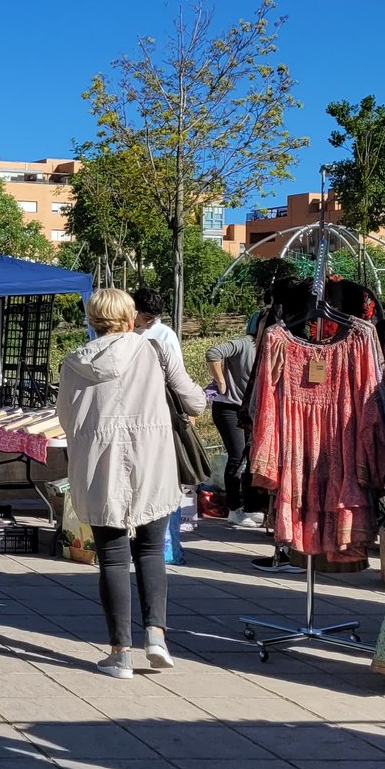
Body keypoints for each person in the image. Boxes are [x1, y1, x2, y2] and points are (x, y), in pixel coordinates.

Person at [58, 286, 207, 677]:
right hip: (153, 462)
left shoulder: (73, 362)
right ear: (130, 318)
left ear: (91, 321)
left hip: (100, 466)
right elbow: (194, 401)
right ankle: (156, 635)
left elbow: (66, 420)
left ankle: (119, 652)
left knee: (111, 557)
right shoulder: (153, 351)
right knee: (151, 550)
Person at [205, 329, 260, 526]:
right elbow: (213, 352)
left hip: (248, 410)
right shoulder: (244, 344)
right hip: (228, 407)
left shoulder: (268, 348)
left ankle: (249, 507)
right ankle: (234, 509)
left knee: (250, 456)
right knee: (237, 456)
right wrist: (221, 382)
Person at [133, 287, 183, 366]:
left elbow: (178, 367)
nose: (152, 322)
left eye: (156, 318)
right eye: (148, 318)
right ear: (134, 311)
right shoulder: (122, 330)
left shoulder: (166, 333)